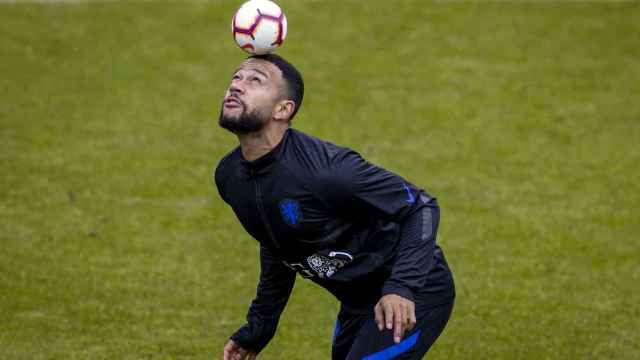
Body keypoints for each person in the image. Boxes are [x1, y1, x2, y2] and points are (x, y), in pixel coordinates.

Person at [215, 53, 455, 360]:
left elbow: (420, 206)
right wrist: (258, 329)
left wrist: (402, 287)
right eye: (236, 77)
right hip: (358, 302)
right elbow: (279, 245)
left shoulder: (327, 171)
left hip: (416, 290)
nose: (236, 86)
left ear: (283, 109)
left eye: (255, 80)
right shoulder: (230, 178)